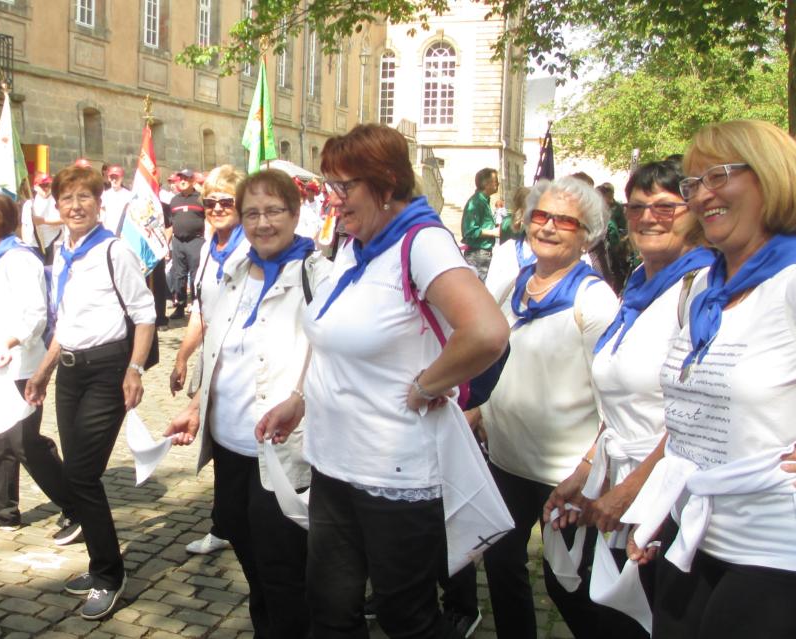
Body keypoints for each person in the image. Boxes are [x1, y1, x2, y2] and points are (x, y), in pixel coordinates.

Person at [259, 123, 510, 638]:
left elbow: (486, 333)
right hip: (333, 462)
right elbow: (333, 337)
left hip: (393, 470)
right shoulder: (356, 244)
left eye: (344, 187)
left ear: (387, 183)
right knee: (329, 609)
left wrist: (427, 385)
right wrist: (299, 400)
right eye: (330, 186)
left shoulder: (421, 242)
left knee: (406, 619)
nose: (332, 199)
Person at [621, 120, 796, 639]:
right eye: (693, 182)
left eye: (719, 175)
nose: (702, 194)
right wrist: (657, 509)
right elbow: (689, 419)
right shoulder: (703, 287)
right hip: (692, 538)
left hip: (774, 556)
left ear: (772, 177)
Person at [540, 160, 713, 638]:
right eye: (637, 207)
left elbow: (694, 412)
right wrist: (584, 470)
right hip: (618, 471)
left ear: (694, 212)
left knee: (637, 619)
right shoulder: (638, 283)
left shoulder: (700, 289)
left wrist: (635, 487)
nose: (647, 218)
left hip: (670, 495)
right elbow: (617, 397)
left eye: (664, 206)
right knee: (578, 596)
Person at [165, 169, 330, 637]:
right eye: (252, 211)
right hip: (230, 443)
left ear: (296, 214)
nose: (262, 222)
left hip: (281, 449)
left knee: (282, 567)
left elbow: (333, 358)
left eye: (274, 210)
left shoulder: (318, 275)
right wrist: (197, 406)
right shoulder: (232, 272)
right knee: (244, 544)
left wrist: (299, 398)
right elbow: (217, 349)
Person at [471, 176, 619, 639]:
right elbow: (497, 359)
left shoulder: (594, 300)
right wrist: (477, 411)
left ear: (587, 233)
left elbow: (614, 400)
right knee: (500, 565)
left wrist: (588, 467)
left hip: (566, 473)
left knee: (567, 586)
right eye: (541, 216)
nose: (549, 227)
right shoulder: (514, 285)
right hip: (507, 461)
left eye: (565, 220)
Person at [24, 165, 155, 620]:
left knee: (81, 475)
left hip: (107, 370)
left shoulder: (113, 250)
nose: (75, 206)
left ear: (100, 204)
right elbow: (65, 323)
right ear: (56, 206)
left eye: (84, 197)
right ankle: (101, 563)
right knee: (79, 472)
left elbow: (144, 313)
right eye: (67, 199)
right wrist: (43, 371)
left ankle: (110, 574)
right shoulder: (62, 250)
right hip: (71, 372)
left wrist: (135, 368)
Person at [0, 194, 82, 545]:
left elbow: (35, 314)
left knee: (25, 441)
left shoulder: (19, 260)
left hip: (24, 364)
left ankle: (76, 506)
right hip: (2, 364)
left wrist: (13, 342)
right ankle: (3, 511)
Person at [169, 164, 248, 557]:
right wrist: (183, 356)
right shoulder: (207, 250)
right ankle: (225, 524)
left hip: (241, 363)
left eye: (226, 201)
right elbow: (200, 311)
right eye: (210, 202)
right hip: (211, 355)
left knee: (242, 444)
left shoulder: (251, 250)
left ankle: (248, 524)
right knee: (218, 443)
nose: (216, 208)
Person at [167, 168, 206, 320]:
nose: (182, 181)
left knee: (196, 274)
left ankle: (198, 305)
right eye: (180, 178)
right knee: (178, 275)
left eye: (186, 179)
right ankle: (180, 307)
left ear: (192, 181)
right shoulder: (174, 200)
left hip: (196, 241)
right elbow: (170, 225)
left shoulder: (200, 199)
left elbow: (208, 219)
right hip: (178, 242)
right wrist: (167, 244)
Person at [462, 168, 500, 278]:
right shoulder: (476, 202)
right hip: (477, 255)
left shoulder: (484, 201)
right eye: (496, 181)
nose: (498, 184)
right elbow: (469, 231)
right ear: (486, 184)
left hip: (482, 254)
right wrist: (493, 232)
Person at [22, 172, 62, 255]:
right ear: (36, 187)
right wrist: (24, 244)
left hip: (53, 240)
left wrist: (43, 221)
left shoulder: (58, 201)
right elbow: (24, 225)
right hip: (33, 244)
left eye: (48, 185)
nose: (46, 188)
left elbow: (64, 220)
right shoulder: (29, 204)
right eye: (42, 185)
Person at [100, 164, 132, 233]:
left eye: (117, 177)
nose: (114, 180)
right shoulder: (105, 195)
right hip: (108, 232)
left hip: (124, 233)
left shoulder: (129, 196)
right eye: (112, 177)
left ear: (122, 178)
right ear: (108, 178)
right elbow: (102, 215)